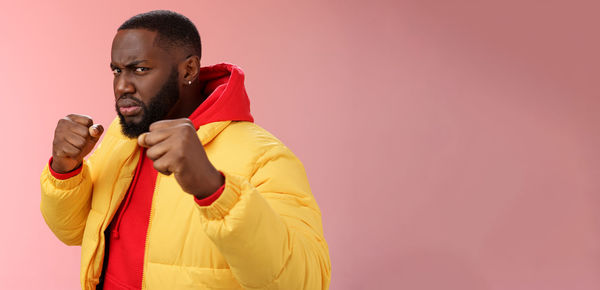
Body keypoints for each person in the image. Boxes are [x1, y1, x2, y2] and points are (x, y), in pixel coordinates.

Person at [40, 10, 331, 290]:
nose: (122, 86)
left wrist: (214, 190)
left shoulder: (265, 157)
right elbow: (74, 231)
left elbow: (305, 282)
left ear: (188, 69)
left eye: (140, 69)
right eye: (117, 71)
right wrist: (65, 169)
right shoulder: (122, 136)